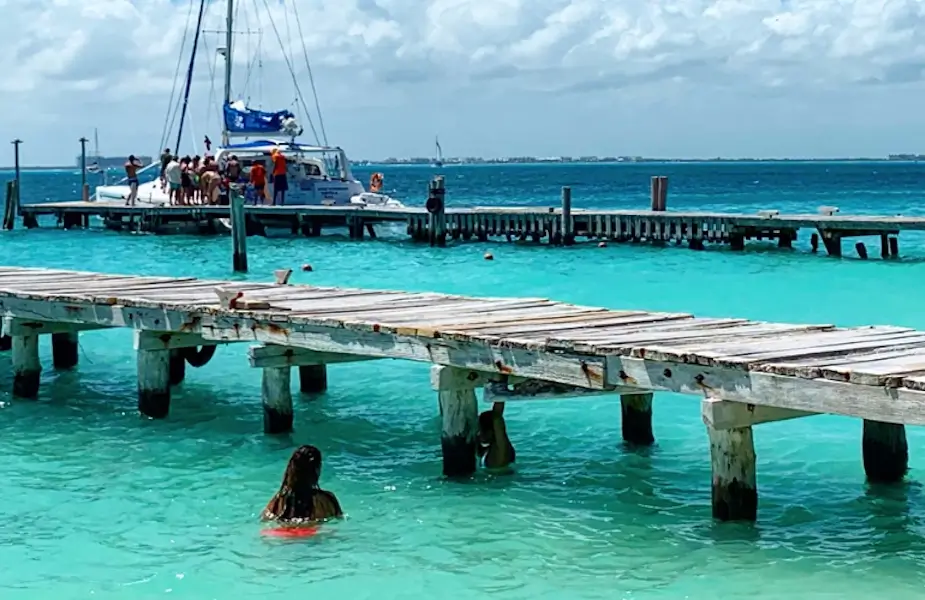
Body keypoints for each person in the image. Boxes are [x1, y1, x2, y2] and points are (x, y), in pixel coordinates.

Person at [262, 445, 343, 524]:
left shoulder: (278, 500)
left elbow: (264, 520)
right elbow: (340, 521)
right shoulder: (328, 500)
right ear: (316, 469)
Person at [477, 402, 515, 471]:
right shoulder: (490, 449)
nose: (479, 434)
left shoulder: (499, 452)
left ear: (491, 431)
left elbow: (497, 418)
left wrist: (499, 397)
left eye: (480, 430)